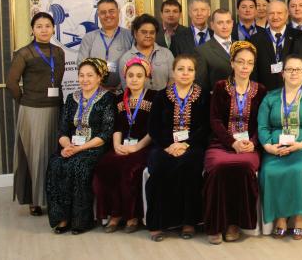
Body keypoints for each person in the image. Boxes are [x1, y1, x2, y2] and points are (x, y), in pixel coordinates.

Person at [203, 41, 266, 244]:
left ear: (253, 65)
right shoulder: (220, 87)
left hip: (249, 146)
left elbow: (262, 123)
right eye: (240, 62)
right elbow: (214, 120)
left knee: (245, 166)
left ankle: (234, 223)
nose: (245, 66)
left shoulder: (261, 90)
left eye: (249, 63)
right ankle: (215, 224)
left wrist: (253, 142)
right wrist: (232, 143)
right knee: (218, 167)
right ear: (232, 63)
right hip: (221, 144)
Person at [258, 55, 302, 240]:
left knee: (301, 169)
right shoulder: (270, 97)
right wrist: (268, 147)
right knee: (270, 170)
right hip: (275, 148)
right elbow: (263, 127)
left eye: (298, 70)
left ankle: (300, 216)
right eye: (289, 69)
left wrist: (300, 145)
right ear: (282, 73)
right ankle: (280, 217)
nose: (293, 73)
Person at [146, 54, 211, 241]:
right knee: (158, 168)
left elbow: (205, 127)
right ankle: (157, 222)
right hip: (164, 146)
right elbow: (154, 127)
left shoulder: (203, 96)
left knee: (190, 168)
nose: (185, 73)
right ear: (173, 72)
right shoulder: (161, 96)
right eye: (180, 69)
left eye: (190, 69)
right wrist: (169, 145)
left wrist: (185, 144)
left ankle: (189, 222)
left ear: (195, 73)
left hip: (192, 146)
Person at [46, 58, 115, 234]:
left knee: (79, 167)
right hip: (72, 146)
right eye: (81, 75)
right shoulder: (72, 98)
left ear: (100, 77)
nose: (85, 79)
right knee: (56, 164)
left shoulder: (107, 98)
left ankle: (80, 221)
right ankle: (62, 218)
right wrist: (67, 145)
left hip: (95, 147)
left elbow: (105, 134)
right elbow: (62, 130)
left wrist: (79, 149)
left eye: (90, 75)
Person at [6, 12, 65, 216]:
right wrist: (24, 101)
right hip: (32, 110)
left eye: (48, 25)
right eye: (39, 26)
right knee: (35, 155)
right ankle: (34, 200)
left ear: (53, 28)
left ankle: (52, 196)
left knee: (52, 153)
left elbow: (56, 80)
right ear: (32, 30)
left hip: (56, 107)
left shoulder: (59, 52)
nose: (44, 29)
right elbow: (11, 83)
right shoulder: (24, 53)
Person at [92, 58, 157, 234]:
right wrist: (116, 146)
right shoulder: (119, 98)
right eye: (130, 75)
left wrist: (136, 148)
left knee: (129, 169)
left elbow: (154, 129)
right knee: (105, 166)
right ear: (124, 77)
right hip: (122, 145)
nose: (134, 79)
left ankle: (132, 215)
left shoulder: (155, 97)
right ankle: (114, 214)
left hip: (144, 146)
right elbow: (117, 126)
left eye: (139, 76)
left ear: (146, 77)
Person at [77, 0, 134, 88]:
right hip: (95, 92)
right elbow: (81, 65)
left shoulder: (130, 36)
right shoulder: (89, 38)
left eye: (111, 11)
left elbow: (136, 64)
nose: (107, 15)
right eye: (103, 12)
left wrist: (121, 86)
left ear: (118, 12)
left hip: (123, 91)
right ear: (98, 15)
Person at [250, 0, 302, 90]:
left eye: (279, 13)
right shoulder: (255, 40)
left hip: (295, 92)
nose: (275, 17)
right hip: (265, 93)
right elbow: (252, 71)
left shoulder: (301, 37)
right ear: (267, 16)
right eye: (271, 13)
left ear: (287, 14)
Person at [118, 13, 174, 90]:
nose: (148, 35)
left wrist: (165, 100)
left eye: (152, 32)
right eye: (144, 32)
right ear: (135, 33)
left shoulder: (167, 54)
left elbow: (173, 80)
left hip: (164, 100)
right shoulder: (126, 58)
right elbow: (127, 88)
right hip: (137, 101)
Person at [195, 9, 235, 92]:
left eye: (228, 22)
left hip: (243, 101)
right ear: (212, 25)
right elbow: (201, 86)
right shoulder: (202, 51)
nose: (225, 26)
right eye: (220, 23)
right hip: (217, 102)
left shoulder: (243, 46)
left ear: (232, 24)